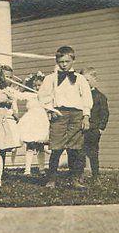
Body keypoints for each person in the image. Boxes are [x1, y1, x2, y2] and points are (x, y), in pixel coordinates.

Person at [38, 46, 93, 189]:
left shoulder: (80, 79)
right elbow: (43, 96)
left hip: (76, 115)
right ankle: (51, 179)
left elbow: (87, 99)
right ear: (56, 61)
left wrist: (86, 117)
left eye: (67, 61)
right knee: (56, 148)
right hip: (59, 114)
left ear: (73, 60)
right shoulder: (50, 79)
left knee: (75, 149)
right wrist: (50, 110)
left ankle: (76, 179)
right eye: (60, 61)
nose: (63, 64)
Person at [17, 72, 50, 176]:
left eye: (39, 85)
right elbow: (19, 95)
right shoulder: (30, 94)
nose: (37, 87)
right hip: (31, 122)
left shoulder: (45, 96)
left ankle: (41, 168)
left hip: (41, 122)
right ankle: (27, 169)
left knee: (40, 146)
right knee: (30, 145)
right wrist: (22, 85)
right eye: (35, 85)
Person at [80, 67, 109, 182]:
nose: (84, 83)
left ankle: (95, 175)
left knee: (93, 153)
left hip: (93, 129)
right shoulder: (79, 96)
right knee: (79, 153)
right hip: (81, 129)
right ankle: (79, 175)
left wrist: (101, 128)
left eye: (87, 80)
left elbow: (105, 113)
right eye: (82, 80)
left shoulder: (99, 96)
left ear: (94, 80)